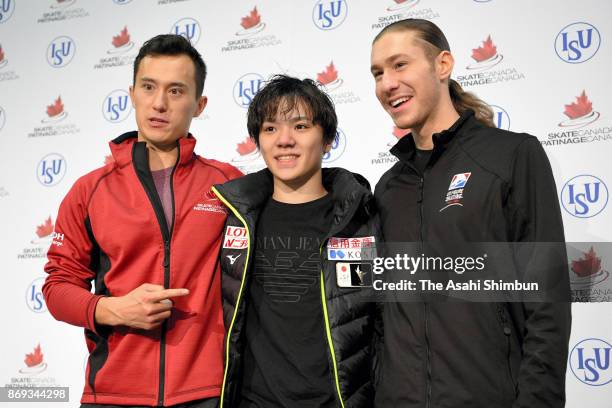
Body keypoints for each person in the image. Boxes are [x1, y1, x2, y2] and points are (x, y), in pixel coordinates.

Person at [370, 19, 571, 407]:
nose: (387, 83)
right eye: (377, 73)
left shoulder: (511, 156)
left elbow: (548, 299)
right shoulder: (388, 187)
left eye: (399, 65)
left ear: (442, 65)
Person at [43, 34, 242, 407]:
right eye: (149, 87)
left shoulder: (229, 184)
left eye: (176, 91)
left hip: (207, 392)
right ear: (132, 93)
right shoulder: (90, 190)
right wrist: (114, 308)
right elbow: (57, 288)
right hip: (113, 393)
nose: (159, 104)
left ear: (200, 104)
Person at [211, 75, 381, 408]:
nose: (284, 140)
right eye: (270, 129)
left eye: (301, 127)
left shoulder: (360, 220)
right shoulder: (236, 219)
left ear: (328, 139)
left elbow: (380, 319)